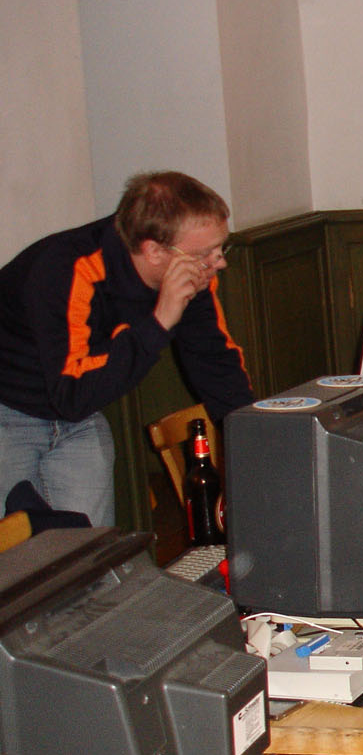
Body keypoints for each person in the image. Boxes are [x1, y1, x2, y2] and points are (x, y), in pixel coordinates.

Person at [0, 171, 254, 526]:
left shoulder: (193, 272)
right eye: (205, 254)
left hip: (77, 417)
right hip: (9, 411)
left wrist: (253, 446)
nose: (219, 262)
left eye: (220, 249)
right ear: (154, 250)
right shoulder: (67, 270)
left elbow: (216, 364)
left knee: (90, 551)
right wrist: (159, 322)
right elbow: (72, 394)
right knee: (18, 554)